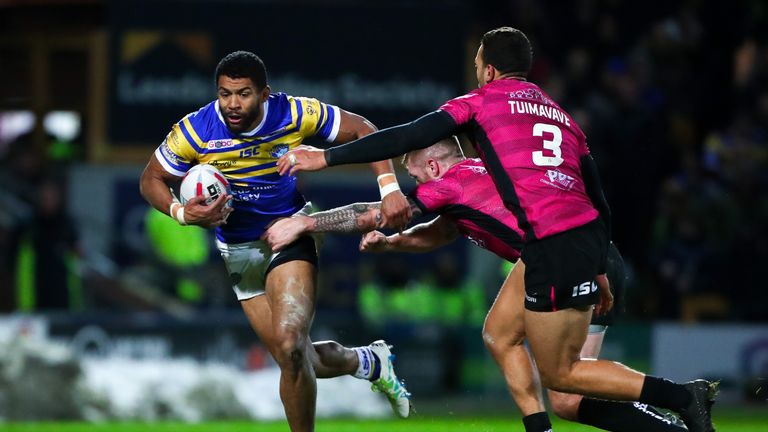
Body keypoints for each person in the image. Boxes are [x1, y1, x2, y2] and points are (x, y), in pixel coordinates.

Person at [275, 27, 718, 432]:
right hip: (587, 244)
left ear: (488, 69)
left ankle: (681, 397)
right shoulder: (558, 115)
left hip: (553, 247)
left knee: (563, 379)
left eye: (477, 68)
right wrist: (600, 263)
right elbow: (593, 192)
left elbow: (402, 144)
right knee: (501, 337)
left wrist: (317, 188)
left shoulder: (473, 125)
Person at [264, 137, 687, 432]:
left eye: (414, 176)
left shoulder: (453, 181)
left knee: (509, 342)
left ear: (433, 166)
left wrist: (306, 222)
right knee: (568, 396)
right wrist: (392, 245)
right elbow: (440, 232)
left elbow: (380, 211)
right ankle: (675, 422)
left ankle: (674, 398)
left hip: (564, 261)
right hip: (596, 257)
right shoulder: (475, 180)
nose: (415, 185)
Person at [139, 51, 412, 431]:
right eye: (225, 93)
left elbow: (365, 129)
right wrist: (183, 214)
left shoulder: (296, 113)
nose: (233, 104)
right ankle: (366, 361)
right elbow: (150, 179)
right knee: (295, 359)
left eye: (244, 93)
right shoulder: (195, 130)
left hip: (290, 231)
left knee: (289, 345)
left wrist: (388, 188)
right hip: (237, 248)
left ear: (265, 93)